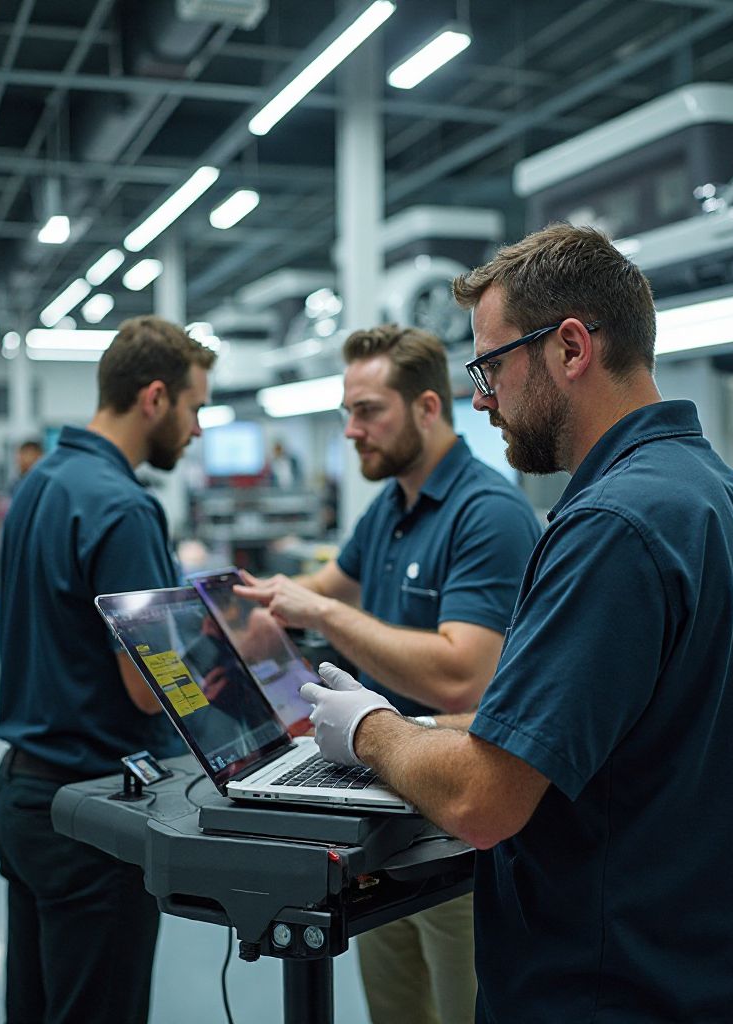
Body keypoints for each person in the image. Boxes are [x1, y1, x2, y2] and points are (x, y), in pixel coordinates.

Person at [297, 225, 733, 1024]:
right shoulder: (727, 500)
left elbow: (482, 802)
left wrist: (371, 731)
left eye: (491, 366)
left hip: (612, 993)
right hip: (713, 980)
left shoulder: (612, 523)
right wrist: (445, 726)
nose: (479, 398)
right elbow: (630, 724)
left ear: (570, 348)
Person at [236, 324, 540, 1024]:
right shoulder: (393, 507)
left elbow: (464, 677)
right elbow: (333, 581)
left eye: (368, 410)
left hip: (459, 840)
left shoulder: (485, 513)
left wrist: (320, 613)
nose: (350, 430)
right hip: (385, 822)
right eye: (347, 411)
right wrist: (261, 609)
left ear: (428, 408)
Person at [0, 316, 215, 1024]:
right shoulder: (124, 509)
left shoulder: (41, 481)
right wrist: (210, 639)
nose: (198, 428)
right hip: (89, 820)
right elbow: (148, 690)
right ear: (154, 398)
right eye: (195, 407)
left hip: (23, 795)